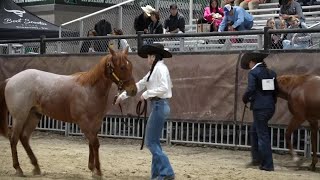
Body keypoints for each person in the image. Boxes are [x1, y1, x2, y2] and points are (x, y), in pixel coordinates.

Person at [115, 43, 175, 180]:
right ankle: (156, 174)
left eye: (148, 56)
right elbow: (139, 85)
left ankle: (167, 172)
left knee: (151, 142)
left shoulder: (160, 69)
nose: (147, 59)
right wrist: (123, 96)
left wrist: (147, 94)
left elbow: (164, 88)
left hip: (160, 105)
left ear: (153, 57)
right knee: (154, 142)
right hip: (159, 106)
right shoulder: (155, 70)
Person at [241, 52, 277, 172]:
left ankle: (267, 165)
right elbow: (274, 91)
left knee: (262, 135)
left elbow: (250, 89)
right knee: (254, 130)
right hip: (270, 107)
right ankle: (256, 159)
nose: (248, 66)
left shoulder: (253, 73)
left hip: (260, 108)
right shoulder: (271, 73)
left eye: (249, 64)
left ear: (252, 62)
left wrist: (245, 98)